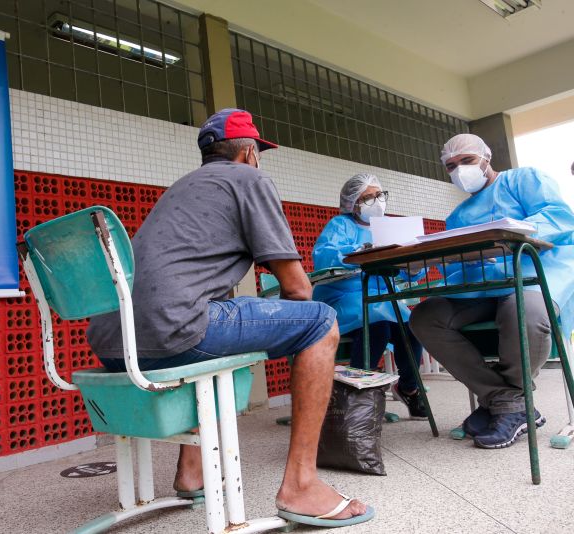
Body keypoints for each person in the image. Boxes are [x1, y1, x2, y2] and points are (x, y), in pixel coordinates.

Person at [87, 108, 372, 525]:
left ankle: (191, 472)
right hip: (174, 331)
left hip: (115, 344)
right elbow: (295, 289)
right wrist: (304, 347)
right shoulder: (249, 179)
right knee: (320, 320)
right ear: (248, 153)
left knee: (214, 339)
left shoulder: (180, 190)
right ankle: (302, 485)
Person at [410, 133, 574, 449]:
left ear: (487, 158)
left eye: (467, 161)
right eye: (451, 166)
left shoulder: (523, 179)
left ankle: (507, 403)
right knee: (426, 316)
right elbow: (453, 266)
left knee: (523, 308)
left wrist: (509, 232)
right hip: (482, 289)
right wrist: (418, 265)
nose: (460, 170)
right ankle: (507, 400)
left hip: (536, 275)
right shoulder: (456, 217)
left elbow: (558, 216)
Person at [312, 174, 428, 419]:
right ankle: (358, 398)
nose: (377, 201)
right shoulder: (340, 225)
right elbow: (323, 257)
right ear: (352, 203)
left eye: (379, 195)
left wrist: (414, 266)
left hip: (384, 300)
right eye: (368, 197)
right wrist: (356, 254)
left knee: (413, 328)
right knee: (378, 328)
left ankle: (409, 388)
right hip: (344, 297)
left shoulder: (389, 228)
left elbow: (413, 272)